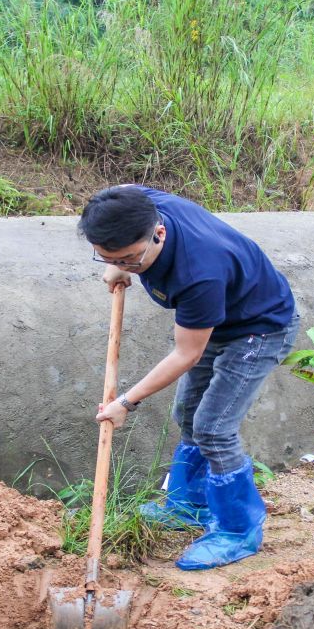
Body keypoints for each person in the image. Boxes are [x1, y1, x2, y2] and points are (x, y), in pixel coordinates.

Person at [78, 185, 299, 570]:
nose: (122, 264)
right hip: (218, 320)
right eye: (107, 255)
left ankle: (237, 531)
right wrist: (119, 262)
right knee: (187, 413)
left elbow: (187, 353)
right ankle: (189, 505)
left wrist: (126, 402)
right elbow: (119, 192)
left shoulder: (199, 271)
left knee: (213, 428)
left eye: (131, 257)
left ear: (158, 233)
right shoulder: (142, 205)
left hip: (258, 328)